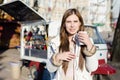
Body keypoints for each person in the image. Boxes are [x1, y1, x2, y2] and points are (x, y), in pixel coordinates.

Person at [46, 8, 98, 80]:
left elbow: (93, 68)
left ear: (80, 23)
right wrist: (58, 57)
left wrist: (89, 44)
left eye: (75, 21)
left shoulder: (88, 41)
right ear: (64, 24)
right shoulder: (56, 42)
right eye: (68, 22)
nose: (72, 25)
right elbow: (50, 69)